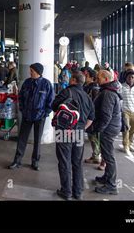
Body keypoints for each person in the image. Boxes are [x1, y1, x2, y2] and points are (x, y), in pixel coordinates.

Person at [52, 72, 95, 200]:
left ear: (74, 80)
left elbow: (53, 106)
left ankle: (66, 191)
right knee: (77, 161)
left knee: (64, 160)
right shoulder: (87, 97)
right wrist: (81, 128)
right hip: (79, 132)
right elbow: (92, 117)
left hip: (63, 131)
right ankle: (78, 191)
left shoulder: (67, 92)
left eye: (71, 78)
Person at [8, 63, 54, 171]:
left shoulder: (46, 84)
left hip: (40, 117)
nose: (30, 72)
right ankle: (17, 161)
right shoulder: (27, 83)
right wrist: (23, 109)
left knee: (37, 140)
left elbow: (51, 101)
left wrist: (45, 113)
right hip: (27, 115)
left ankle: (35, 162)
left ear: (38, 72)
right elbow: (21, 97)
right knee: (22, 139)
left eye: (32, 71)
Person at [92, 70, 122, 195]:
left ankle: (111, 185)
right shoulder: (110, 90)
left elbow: (105, 115)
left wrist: (98, 128)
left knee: (108, 156)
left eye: (98, 77)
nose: (96, 79)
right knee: (106, 154)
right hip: (111, 127)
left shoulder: (107, 94)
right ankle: (107, 177)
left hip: (108, 129)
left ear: (105, 78)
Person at [83, 68, 102, 165]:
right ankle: (95, 155)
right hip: (90, 115)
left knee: (93, 136)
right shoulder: (88, 86)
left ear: (92, 77)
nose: (84, 77)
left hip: (92, 116)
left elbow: (94, 104)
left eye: (86, 76)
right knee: (92, 136)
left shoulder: (94, 88)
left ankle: (96, 155)